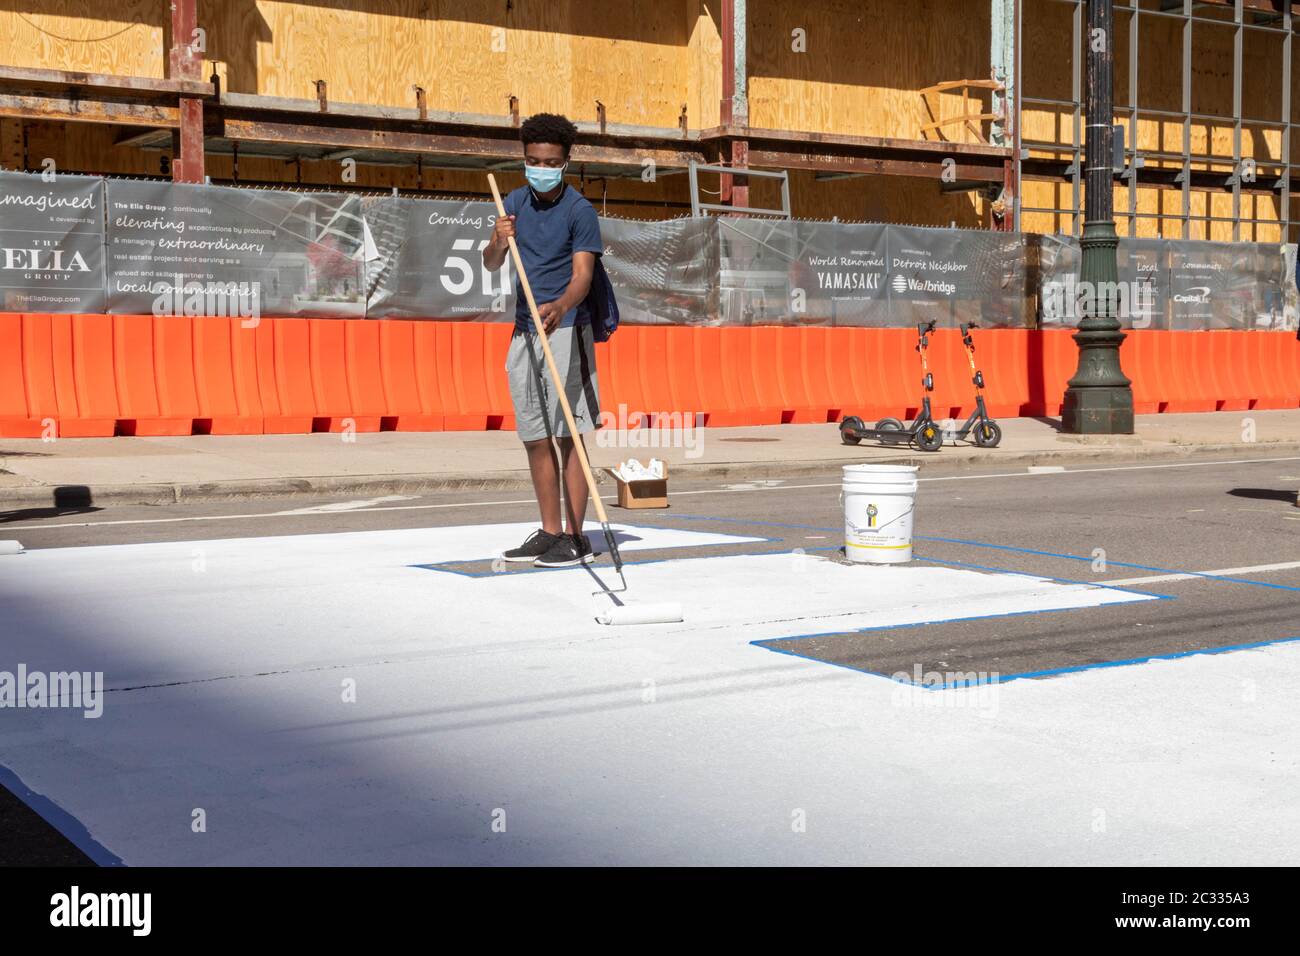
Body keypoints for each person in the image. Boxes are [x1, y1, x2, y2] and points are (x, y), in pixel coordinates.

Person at [482, 113, 604, 568]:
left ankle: (575, 536)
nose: (541, 168)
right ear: (524, 159)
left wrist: (560, 306)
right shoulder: (513, 200)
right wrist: (497, 239)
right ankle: (549, 531)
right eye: (533, 160)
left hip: (567, 328)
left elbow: (583, 277)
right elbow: (492, 262)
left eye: (550, 161)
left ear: (566, 162)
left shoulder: (579, 211)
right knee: (535, 436)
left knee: (568, 434)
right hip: (523, 330)